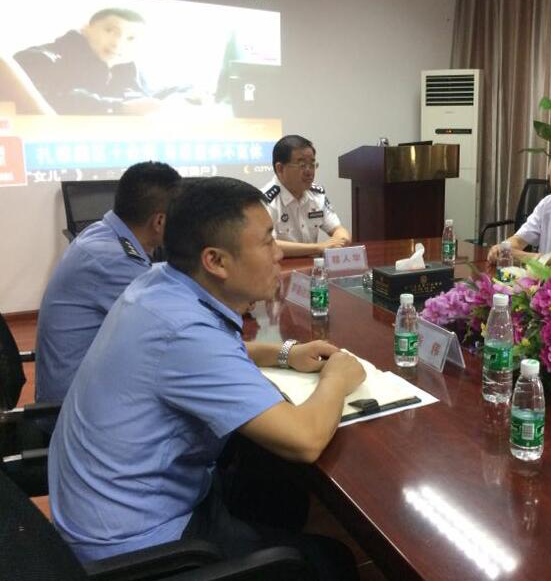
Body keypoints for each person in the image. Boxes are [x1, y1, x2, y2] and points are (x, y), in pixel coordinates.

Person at [48, 177, 365, 579]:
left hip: (114, 506)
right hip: (140, 545)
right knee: (331, 562)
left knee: (268, 471)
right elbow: (305, 440)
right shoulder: (183, 332)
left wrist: (286, 353)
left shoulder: (160, 284)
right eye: (267, 241)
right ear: (215, 261)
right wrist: (337, 376)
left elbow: (208, 350)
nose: (279, 253)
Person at [35, 161, 181, 404]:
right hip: (75, 407)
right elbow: (172, 332)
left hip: (86, 386)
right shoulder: (114, 260)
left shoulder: (104, 233)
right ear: (159, 222)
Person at [14, 8, 165, 115]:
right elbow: (51, 100)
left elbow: (144, 100)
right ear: (85, 28)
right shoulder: (39, 58)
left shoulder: (129, 69)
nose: (117, 43)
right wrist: (120, 108)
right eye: (110, 31)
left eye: (130, 38)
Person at [262, 134, 351, 257]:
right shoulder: (265, 200)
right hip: (281, 266)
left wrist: (341, 240)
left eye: (312, 165)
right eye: (302, 165)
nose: (309, 172)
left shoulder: (316, 195)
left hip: (312, 266)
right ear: (280, 168)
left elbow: (338, 229)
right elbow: (268, 245)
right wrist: (319, 247)